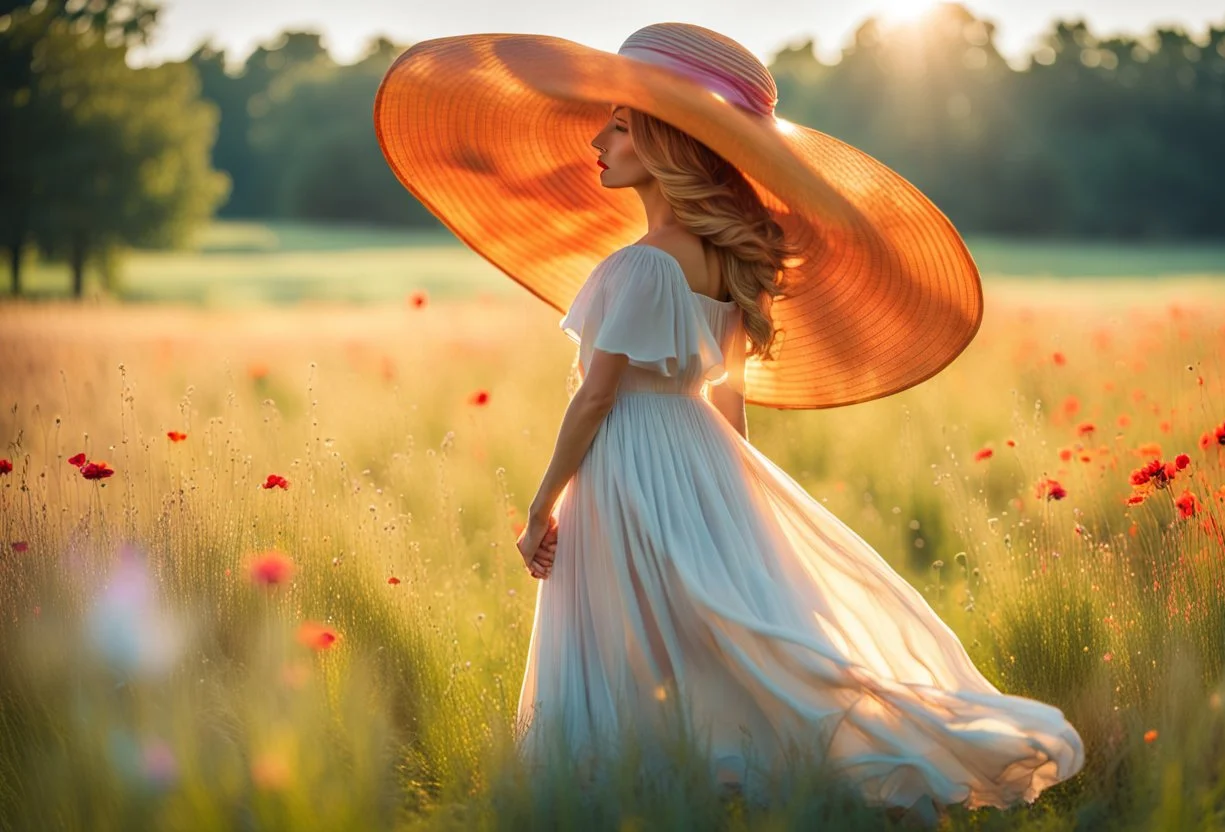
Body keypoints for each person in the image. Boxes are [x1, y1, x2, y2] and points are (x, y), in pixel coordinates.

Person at [374, 21, 1085, 823]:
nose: (596, 138)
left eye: (618, 122)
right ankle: (721, 775)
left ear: (665, 140)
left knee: (632, 629)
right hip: (700, 455)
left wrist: (542, 504)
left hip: (629, 458)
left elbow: (597, 396)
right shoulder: (731, 262)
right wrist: (736, 496)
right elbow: (729, 394)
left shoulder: (640, 265)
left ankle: (636, 782)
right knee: (708, 624)